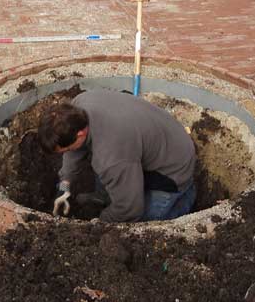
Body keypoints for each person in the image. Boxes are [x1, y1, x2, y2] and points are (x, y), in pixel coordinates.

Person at [38, 89, 197, 223]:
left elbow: (130, 209)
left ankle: (186, 198)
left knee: (144, 225)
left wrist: (101, 222)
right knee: (108, 167)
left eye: (65, 150)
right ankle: (106, 197)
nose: (66, 153)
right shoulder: (79, 104)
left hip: (173, 169)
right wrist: (65, 184)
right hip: (158, 140)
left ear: (80, 134)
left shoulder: (111, 157)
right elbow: (74, 150)